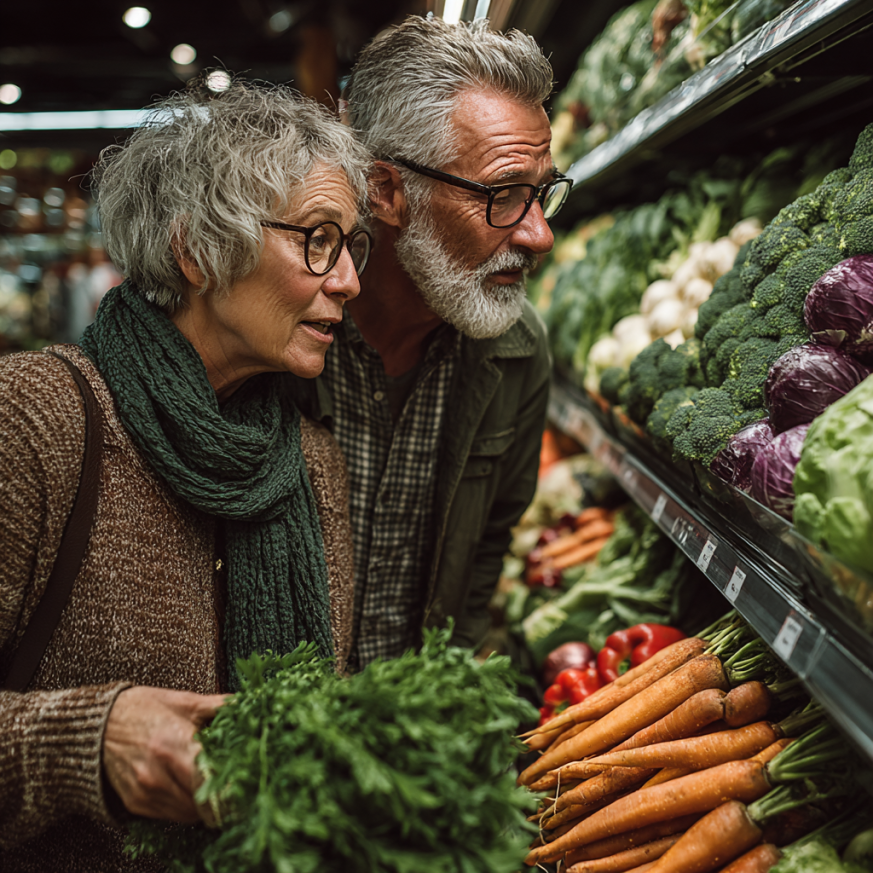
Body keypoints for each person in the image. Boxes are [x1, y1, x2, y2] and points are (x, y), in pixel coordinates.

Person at [0, 79, 371, 872]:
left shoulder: (310, 464)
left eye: (350, 245)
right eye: (317, 239)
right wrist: (91, 737)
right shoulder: (36, 422)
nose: (348, 279)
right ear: (195, 251)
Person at [290, 16, 571, 670]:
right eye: (503, 196)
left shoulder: (517, 351)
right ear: (387, 191)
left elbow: (484, 552)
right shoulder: (280, 326)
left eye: (541, 193)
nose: (539, 235)